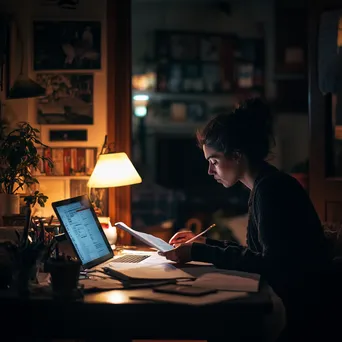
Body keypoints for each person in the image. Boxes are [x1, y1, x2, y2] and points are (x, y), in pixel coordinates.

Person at [159, 98, 333, 340]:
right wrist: (203, 244)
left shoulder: (271, 189)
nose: (210, 171)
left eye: (214, 161)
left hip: (303, 311)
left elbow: (269, 263)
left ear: (237, 155)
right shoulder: (264, 184)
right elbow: (257, 253)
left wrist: (198, 253)